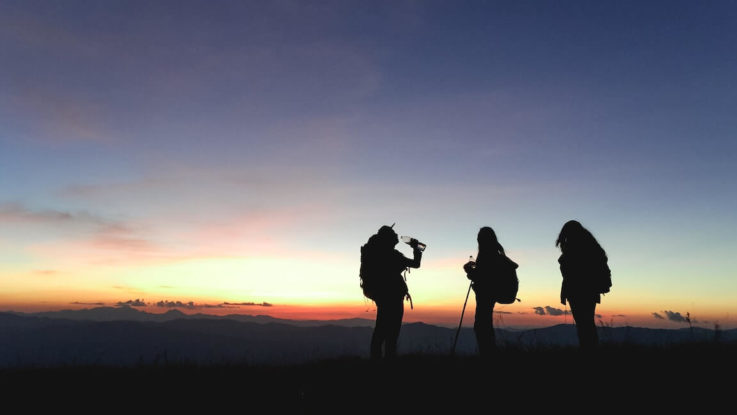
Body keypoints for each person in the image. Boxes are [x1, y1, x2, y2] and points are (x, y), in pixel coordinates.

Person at [360, 225, 422, 359]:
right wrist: (416, 248)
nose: (396, 236)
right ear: (388, 238)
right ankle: (388, 360)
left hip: (382, 295)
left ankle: (377, 360)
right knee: (392, 331)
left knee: (381, 328)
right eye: (393, 234)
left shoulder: (375, 253)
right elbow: (416, 264)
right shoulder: (391, 254)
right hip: (392, 296)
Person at [556, 220, 612, 350]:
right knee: (587, 323)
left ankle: (588, 349)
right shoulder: (591, 247)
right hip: (590, 291)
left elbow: (570, 273)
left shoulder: (574, 248)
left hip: (577, 291)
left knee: (583, 325)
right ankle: (590, 348)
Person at [463, 226, 516, 356]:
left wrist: (468, 270)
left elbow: (483, 278)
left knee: (482, 325)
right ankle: (489, 354)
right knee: (484, 324)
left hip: (487, 295)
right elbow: (486, 276)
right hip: (493, 293)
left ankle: (487, 355)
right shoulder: (496, 255)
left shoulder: (486, 256)